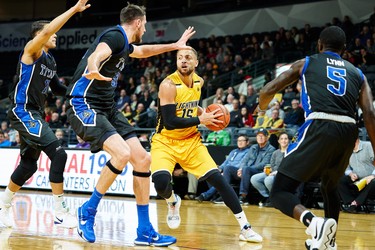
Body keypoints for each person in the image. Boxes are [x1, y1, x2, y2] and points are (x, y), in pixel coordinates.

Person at [65, 3, 195, 246]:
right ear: (138, 22)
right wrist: (93, 68)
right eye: (144, 24)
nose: (145, 29)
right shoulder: (114, 36)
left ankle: (144, 230)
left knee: (143, 159)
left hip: (107, 106)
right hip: (84, 104)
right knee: (122, 153)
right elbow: (98, 54)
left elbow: (144, 51)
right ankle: (88, 210)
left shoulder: (125, 43)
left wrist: (175, 45)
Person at [258, 26, 375, 250]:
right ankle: (329, 241)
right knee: (330, 186)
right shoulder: (357, 73)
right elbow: (369, 114)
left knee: (280, 191)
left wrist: (262, 105)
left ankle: (314, 224)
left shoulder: (307, 62)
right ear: (344, 50)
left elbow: (269, 89)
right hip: (349, 131)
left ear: (319, 45)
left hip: (321, 124)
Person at [150, 48, 263, 243]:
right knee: (160, 185)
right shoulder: (168, 85)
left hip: (191, 141)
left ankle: (245, 227)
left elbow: (191, 105)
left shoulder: (199, 82)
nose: (183, 61)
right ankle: (172, 201)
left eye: (188, 58)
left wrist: (207, 115)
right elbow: (170, 121)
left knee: (220, 181)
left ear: (196, 63)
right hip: (165, 141)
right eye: (179, 58)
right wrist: (201, 120)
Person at [0, 0, 91, 229]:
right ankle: (60, 211)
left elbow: (59, 88)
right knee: (59, 155)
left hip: (36, 114)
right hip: (23, 111)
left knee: (29, 166)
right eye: (50, 32)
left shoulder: (50, 60)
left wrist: (84, 86)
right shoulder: (32, 50)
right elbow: (50, 30)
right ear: (39, 35)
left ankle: (3, 206)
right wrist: (73, 10)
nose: (55, 36)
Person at [196, 134, 251, 202]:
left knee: (227, 168)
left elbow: (242, 164)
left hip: (237, 171)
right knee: (211, 171)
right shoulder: (234, 151)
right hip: (227, 170)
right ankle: (214, 195)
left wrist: (225, 171)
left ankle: (210, 195)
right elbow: (226, 162)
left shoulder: (248, 151)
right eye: (238, 140)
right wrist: (219, 169)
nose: (240, 142)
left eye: (242, 140)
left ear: (247, 142)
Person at [236, 128, 276, 204]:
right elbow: (245, 159)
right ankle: (223, 195)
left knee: (246, 169)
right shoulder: (253, 147)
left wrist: (246, 169)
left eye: (262, 136)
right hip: (247, 170)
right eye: (258, 136)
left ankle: (243, 196)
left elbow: (264, 163)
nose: (260, 137)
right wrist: (240, 169)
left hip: (260, 171)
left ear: (267, 137)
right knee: (228, 168)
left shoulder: (271, 149)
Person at [250, 132, 289, 207]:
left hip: (283, 174)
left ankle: (275, 199)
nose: (284, 141)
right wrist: (268, 168)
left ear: (288, 140)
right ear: (278, 141)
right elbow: (272, 164)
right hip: (273, 173)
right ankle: (268, 196)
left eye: (286, 139)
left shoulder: (290, 152)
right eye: (282, 139)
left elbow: (288, 166)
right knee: (254, 178)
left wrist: (276, 172)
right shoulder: (275, 153)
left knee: (268, 180)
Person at [338, 138, 375, 213]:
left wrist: (372, 176)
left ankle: (356, 203)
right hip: (357, 181)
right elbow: (346, 167)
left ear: (356, 139)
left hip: (371, 180)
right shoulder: (347, 150)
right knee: (339, 179)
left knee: (373, 182)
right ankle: (350, 203)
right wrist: (351, 174)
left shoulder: (368, 146)